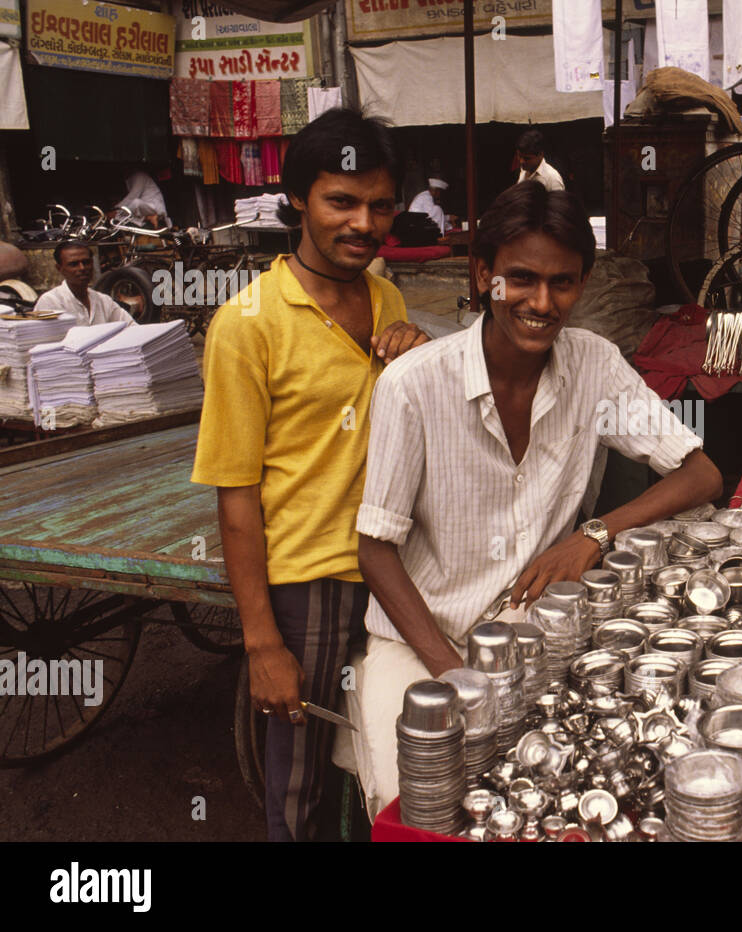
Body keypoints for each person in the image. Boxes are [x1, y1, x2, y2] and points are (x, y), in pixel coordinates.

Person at [350, 181, 723, 814]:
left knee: (580, 792)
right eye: (521, 279)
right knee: (424, 807)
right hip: (419, 644)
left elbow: (701, 474)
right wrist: (454, 674)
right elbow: (376, 551)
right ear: (483, 275)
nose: (542, 303)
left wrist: (593, 534)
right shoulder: (414, 386)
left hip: (536, 634)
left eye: (564, 283)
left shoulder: (594, 365)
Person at [190, 108, 429, 842]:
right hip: (308, 581)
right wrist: (263, 644)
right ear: (298, 198)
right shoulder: (248, 322)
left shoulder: (384, 297)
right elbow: (236, 495)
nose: (364, 222)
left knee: (373, 751)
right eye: (342, 201)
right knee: (297, 780)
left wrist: (416, 351)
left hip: (386, 564)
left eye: (380, 204)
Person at [33, 241, 136, 326]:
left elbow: (132, 328)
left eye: (86, 262)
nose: (82, 268)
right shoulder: (50, 302)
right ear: (60, 268)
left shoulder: (103, 301)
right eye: (73, 264)